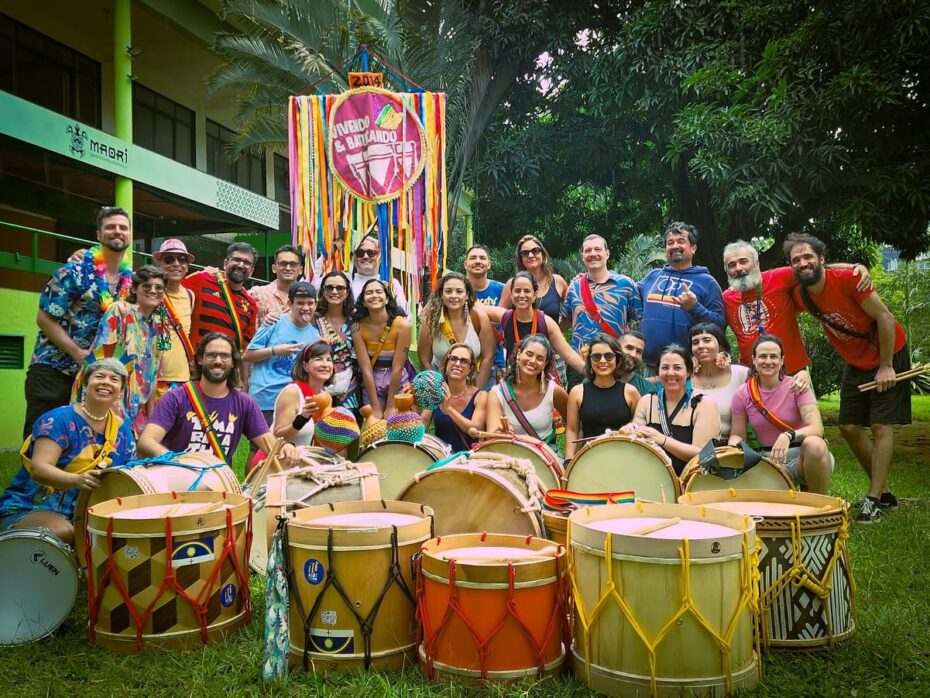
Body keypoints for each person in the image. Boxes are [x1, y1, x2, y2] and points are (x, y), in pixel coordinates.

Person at [786, 233, 910, 522]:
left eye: (808, 257)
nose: (803, 263)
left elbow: (886, 319)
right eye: (796, 260)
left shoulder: (848, 279)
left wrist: (887, 365)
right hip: (855, 362)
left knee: (881, 425)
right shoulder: (801, 294)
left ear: (822, 259)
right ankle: (885, 493)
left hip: (888, 353)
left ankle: (873, 499)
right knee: (848, 426)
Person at [23, 206, 133, 437]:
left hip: (93, 377)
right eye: (110, 227)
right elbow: (44, 318)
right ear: (98, 235)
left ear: (130, 235)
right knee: (43, 437)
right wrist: (77, 353)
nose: (117, 231)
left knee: (81, 442)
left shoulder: (129, 282)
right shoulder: (74, 270)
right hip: (53, 370)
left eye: (123, 227)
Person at [1, 359, 136, 544]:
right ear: (85, 384)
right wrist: (77, 480)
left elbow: (128, 472)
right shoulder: (59, 419)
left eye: (114, 379)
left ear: (120, 392)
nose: (106, 382)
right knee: (65, 532)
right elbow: (39, 468)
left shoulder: (123, 429)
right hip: (33, 507)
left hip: (89, 512)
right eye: (99, 376)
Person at [139, 333, 298, 465]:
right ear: (200, 359)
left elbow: (268, 443)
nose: (218, 361)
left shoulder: (244, 403)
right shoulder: (176, 398)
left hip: (216, 486)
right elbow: (146, 441)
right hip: (175, 481)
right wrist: (177, 463)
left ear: (233, 362)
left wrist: (286, 447)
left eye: (224, 356)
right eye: (211, 355)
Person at [722, 239, 871, 379]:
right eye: (732, 265)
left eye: (743, 262)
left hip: (793, 372)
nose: (738, 268)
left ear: (756, 263)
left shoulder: (777, 277)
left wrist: (855, 267)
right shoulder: (725, 298)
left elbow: (815, 270)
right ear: (726, 270)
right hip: (752, 375)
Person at [729, 335, 834, 495]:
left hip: (806, 457)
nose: (768, 361)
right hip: (770, 460)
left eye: (774, 356)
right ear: (754, 360)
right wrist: (732, 446)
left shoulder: (797, 386)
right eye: (763, 356)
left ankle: (819, 504)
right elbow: (737, 434)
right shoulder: (743, 393)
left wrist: (787, 435)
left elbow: (816, 428)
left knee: (815, 444)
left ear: (782, 360)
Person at [77, 265, 171, 436]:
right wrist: (111, 406)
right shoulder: (120, 310)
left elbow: (154, 374)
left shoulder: (159, 324)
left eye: (159, 288)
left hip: (137, 406)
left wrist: (151, 417)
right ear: (135, 289)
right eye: (147, 286)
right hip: (109, 397)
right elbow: (103, 361)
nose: (153, 291)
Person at [638, 223, 725, 371]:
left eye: (681, 241)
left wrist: (694, 307)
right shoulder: (652, 277)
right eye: (670, 243)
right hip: (650, 367)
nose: (674, 246)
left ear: (693, 248)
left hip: (688, 369)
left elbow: (720, 326)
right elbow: (626, 293)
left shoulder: (707, 282)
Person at [561, 234, 641, 389]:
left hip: (614, 361)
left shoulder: (626, 285)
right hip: (580, 363)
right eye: (588, 250)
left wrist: (632, 349)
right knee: (578, 407)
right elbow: (564, 323)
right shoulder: (574, 287)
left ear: (607, 253)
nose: (592, 254)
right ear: (583, 256)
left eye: (597, 249)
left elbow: (641, 318)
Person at [629, 344, 720, 476]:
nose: (670, 373)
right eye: (665, 368)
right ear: (658, 371)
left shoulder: (704, 404)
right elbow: (637, 444)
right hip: (651, 477)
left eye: (677, 368)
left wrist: (663, 440)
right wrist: (629, 431)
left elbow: (703, 454)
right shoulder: (647, 401)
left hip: (692, 480)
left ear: (688, 371)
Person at [242, 281, 321, 426]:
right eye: (300, 303)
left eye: (310, 303)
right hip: (265, 399)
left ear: (316, 304)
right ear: (290, 304)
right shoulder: (274, 322)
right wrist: (275, 350)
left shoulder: (315, 334)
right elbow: (247, 356)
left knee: (291, 446)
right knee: (262, 447)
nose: (305, 308)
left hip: (294, 400)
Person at [485, 272, 584, 374]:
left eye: (527, 291)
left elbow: (568, 354)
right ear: (511, 294)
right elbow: (475, 307)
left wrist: (592, 374)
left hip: (540, 382)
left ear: (534, 295)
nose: (522, 295)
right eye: (517, 291)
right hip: (513, 381)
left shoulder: (546, 322)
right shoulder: (505, 316)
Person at [564, 335, 642, 460]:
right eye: (596, 356)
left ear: (618, 359)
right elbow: (572, 430)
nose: (602, 361)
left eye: (609, 356)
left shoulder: (631, 392)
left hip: (625, 459)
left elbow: (640, 428)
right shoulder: (577, 392)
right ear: (589, 360)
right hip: (589, 458)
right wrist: (568, 461)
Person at [486, 334, 569, 450]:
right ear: (519, 354)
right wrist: (499, 433)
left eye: (540, 358)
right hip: (509, 455)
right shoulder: (496, 393)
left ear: (544, 364)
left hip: (545, 456)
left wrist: (568, 458)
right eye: (529, 354)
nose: (533, 361)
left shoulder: (554, 391)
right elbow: (492, 436)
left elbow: (573, 426)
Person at [417, 272, 497, 388]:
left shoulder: (478, 317)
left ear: (467, 295)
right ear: (441, 295)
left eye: (459, 291)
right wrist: (439, 389)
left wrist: (475, 392)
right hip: (441, 382)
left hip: (476, 379)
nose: (453, 296)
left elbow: (488, 356)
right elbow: (424, 360)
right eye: (448, 291)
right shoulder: (431, 321)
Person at [352, 279, 415, 419]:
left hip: (398, 378)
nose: (374, 295)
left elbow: (398, 367)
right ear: (363, 301)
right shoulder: (357, 328)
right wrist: (375, 406)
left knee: (400, 422)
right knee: (375, 425)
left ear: (387, 299)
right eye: (369, 293)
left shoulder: (403, 325)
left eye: (379, 291)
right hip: (372, 379)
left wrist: (391, 404)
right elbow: (366, 368)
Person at [184, 241, 259, 352]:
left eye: (247, 262)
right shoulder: (201, 279)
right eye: (236, 259)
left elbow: (245, 347)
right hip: (196, 364)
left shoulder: (251, 304)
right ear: (225, 263)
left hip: (227, 366)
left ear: (251, 271)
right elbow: (173, 293)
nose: (241, 265)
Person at [420, 344, 488, 453]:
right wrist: (410, 405)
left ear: (470, 369)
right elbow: (422, 426)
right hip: (441, 458)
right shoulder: (436, 391)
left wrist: (450, 410)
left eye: (464, 361)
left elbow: (475, 430)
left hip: (469, 461)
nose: (457, 364)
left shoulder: (480, 396)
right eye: (453, 359)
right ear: (446, 364)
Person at [689, 322, 749, 440]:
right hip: (690, 448)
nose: (700, 345)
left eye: (707, 340)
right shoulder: (685, 378)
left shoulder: (741, 374)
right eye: (695, 342)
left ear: (720, 345)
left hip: (730, 447)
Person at [153, 239, 196, 400]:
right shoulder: (150, 293)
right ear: (160, 264)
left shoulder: (190, 296)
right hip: (152, 379)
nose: (176, 264)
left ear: (187, 266)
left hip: (182, 379)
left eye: (182, 259)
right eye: (169, 259)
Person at [271, 341, 334, 447]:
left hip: (306, 459)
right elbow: (277, 437)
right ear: (305, 366)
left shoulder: (325, 396)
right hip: (279, 459)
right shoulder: (292, 392)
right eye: (318, 359)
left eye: (329, 360)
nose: (325, 364)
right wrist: (302, 419)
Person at [315, 271, 359, 411]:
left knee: (348, 429)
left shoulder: (355, 320)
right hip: (318, 387)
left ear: (347, 292)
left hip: (349, 389)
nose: (334, 291)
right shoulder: (313, 319)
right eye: (329, 287)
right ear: (322, 291)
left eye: (340, 288)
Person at [499, 235, 568, 323]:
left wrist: (555, 331)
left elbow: (571, 312)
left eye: (535, 251)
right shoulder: (512, 284)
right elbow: (500, 317)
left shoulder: (558, 282)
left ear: (542, 254)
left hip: (549, 336)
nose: (530, 255)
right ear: (521, 259)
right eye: (525, 253)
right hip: (519, 336)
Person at [464, 244, 506, 384]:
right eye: (473, 258)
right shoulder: (454, 290)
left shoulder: (502, 290)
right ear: (465, 264)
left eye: (482, 258)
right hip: (461, 361)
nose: (477, 261)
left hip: (495, 362)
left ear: (489, 264)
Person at [349, 235, 409, 317]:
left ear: (379, 256)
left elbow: (406, 316)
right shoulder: (346, 283)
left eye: (371, 253)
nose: (365, 257)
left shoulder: (392, 283)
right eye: (360, 253)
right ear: (354, 257)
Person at [250, 244, 303, 326]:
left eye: (293, 264)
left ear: (300, 270)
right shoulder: (257, 294)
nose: (288, 268)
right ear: (274, 268)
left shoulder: (307, 298)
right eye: (283, 264)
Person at [618, 331, 657, 397]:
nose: (633, 354)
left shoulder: (647, 389)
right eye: (629, 348)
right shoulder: (600, 379)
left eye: (639, 351)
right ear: (617, 349)